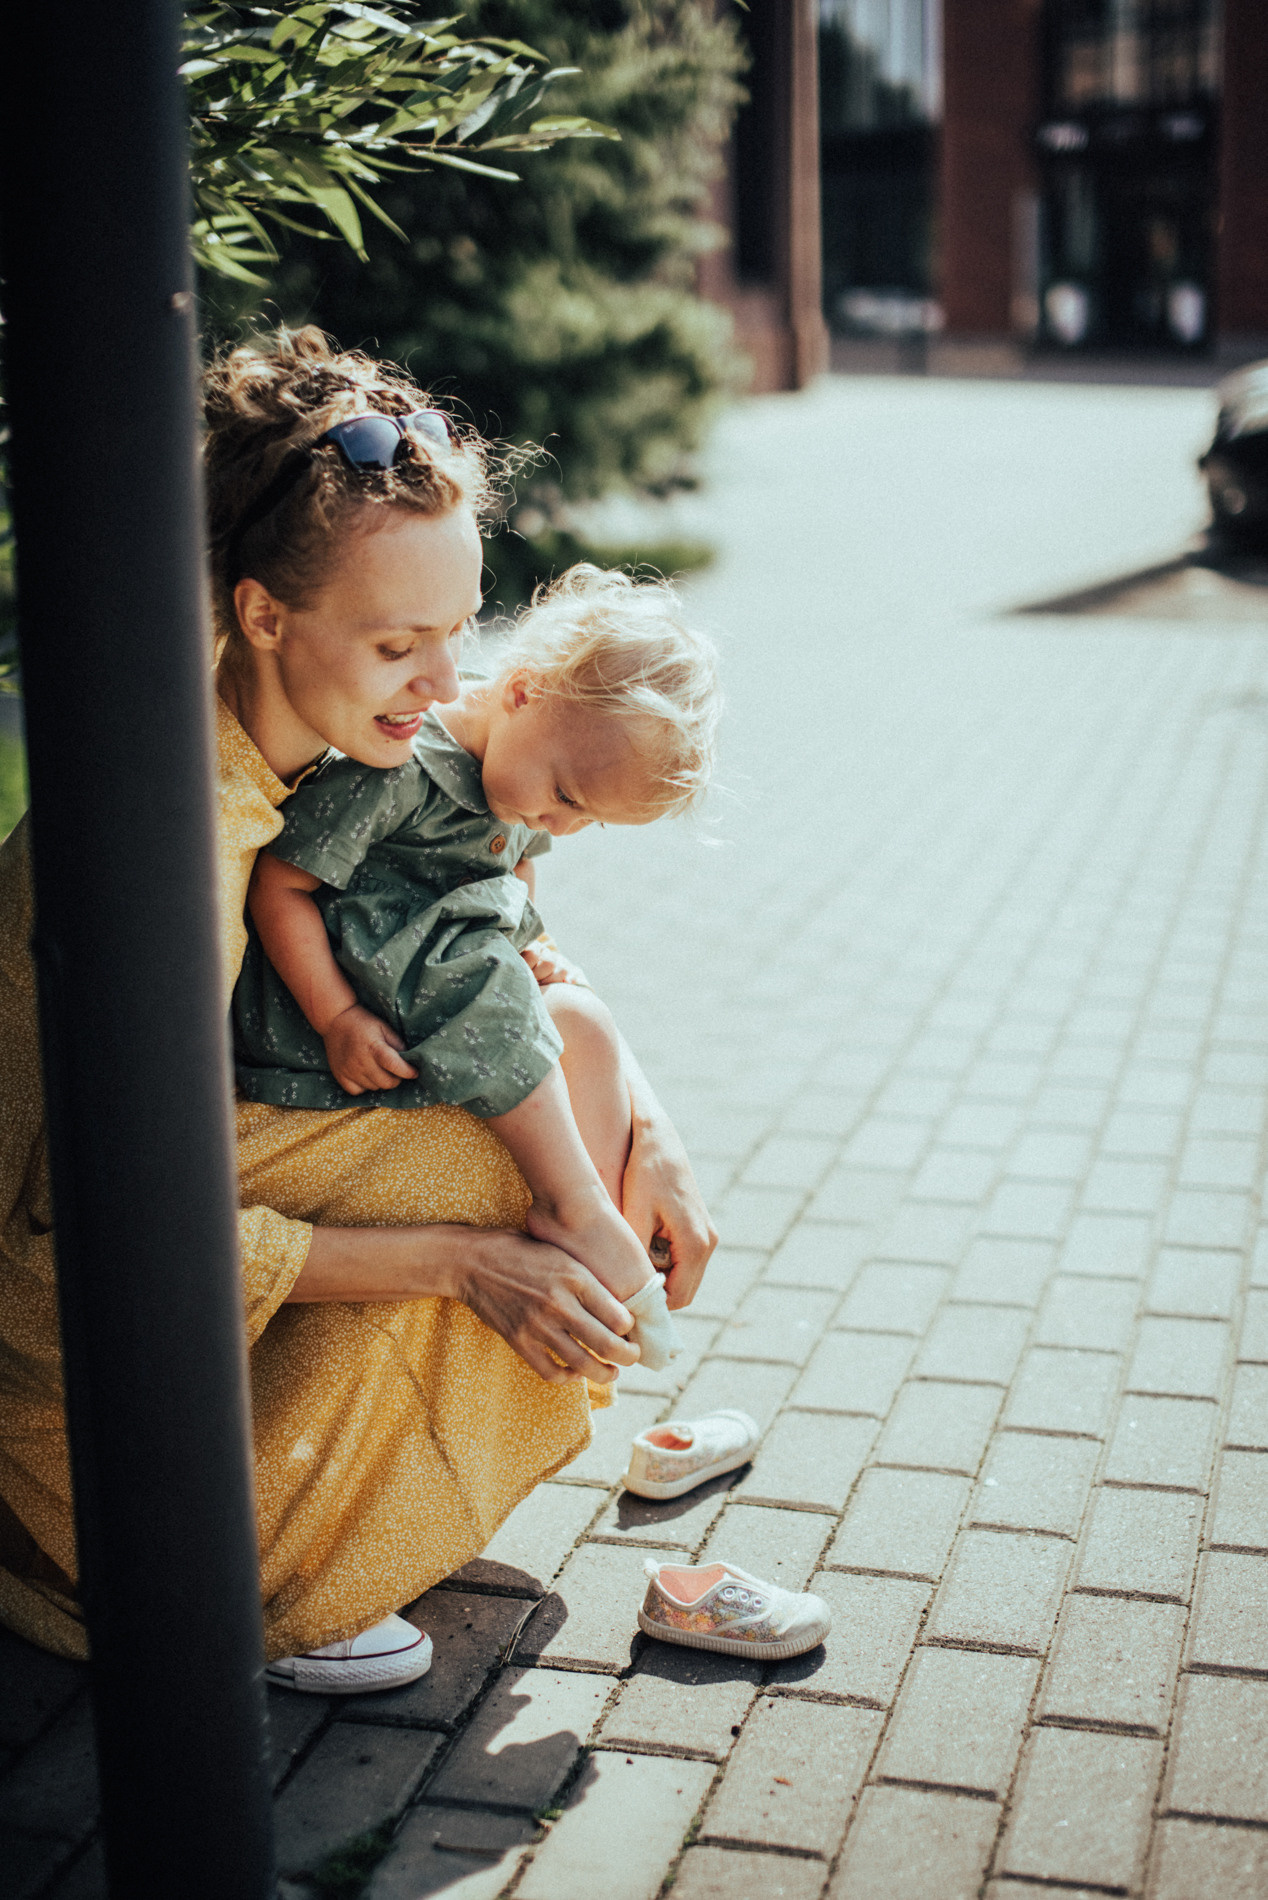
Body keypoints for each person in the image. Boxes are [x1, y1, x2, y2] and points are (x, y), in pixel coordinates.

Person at [0, 326, 716, 1691]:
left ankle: (346, 1488)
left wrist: (655, 1126)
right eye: (400, 644)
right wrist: (464, 1258)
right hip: (58, 1429)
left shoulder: (299, 753)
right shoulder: (181, 849)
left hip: (159, 1242)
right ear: (264, 613)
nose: (447, 687)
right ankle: (281, 1560)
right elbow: (76, 1249)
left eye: (456, 635)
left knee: (562, 1116)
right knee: (505, 1173)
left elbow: (499, 932)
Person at [236, 563, 720, 1372]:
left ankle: (581, 1308)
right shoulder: (401, 764)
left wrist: (522, 939)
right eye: (565, 792)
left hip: (416, 1005)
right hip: (314, 1019)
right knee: (485, 962)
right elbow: (281, 884)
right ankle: (573, 1206)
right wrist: (336, 1017)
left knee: (566, 1015)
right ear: (523, 691)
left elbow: (512, 881)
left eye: (585, 818)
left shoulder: (520, 784)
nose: (555, 823)